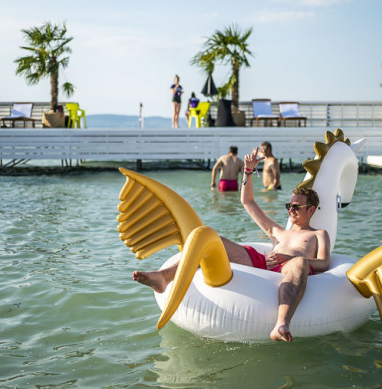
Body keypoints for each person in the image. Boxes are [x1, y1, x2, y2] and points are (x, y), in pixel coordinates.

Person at [133, 146, 330, 342]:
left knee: (300, 264)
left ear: (311, 209)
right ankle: (164, 277)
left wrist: (291, 258)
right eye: (289, 206)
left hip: (291, 266)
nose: (291, 210)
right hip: (261, 262)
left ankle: (281, 324)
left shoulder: (319, 234)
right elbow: (248, 202)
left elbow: (323, 263)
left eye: (297, 207)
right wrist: (248, 171)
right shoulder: (278, 231)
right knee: (213, 240)